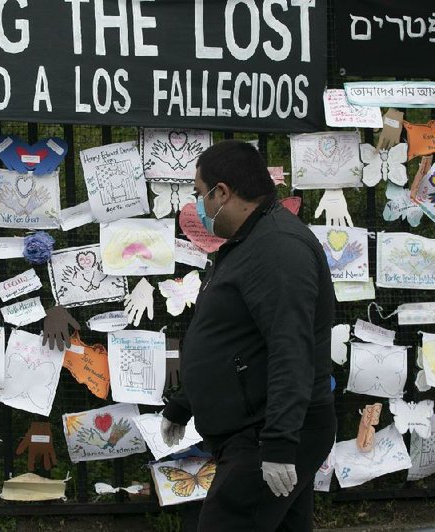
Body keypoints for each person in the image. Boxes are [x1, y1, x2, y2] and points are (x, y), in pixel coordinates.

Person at [161, 140, 336, 531]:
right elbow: (230, 336)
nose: (198, 206)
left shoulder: (278, 248)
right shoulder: (248, 243)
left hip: (266, 432)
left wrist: (277, 444)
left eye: (199, 194)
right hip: (258, 428)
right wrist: (183, 403)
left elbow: (291, 348)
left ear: (222, 193)